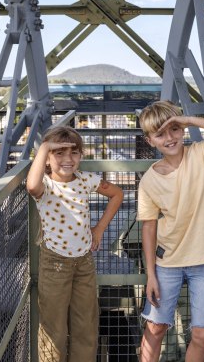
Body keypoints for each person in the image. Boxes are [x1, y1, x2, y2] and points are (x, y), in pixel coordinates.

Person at [137, 101, 204, 362]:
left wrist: (191, 120)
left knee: (203, 335)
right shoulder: (149, 181)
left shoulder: (202, 154)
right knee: (155, 327)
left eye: (174, 129)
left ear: (182, 130)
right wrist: (151, 274)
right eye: (160, 134)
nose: (169, 138)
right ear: (151, 141)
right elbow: (149, 227)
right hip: (167, 264)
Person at [26, 126, 123, 362]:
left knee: (86, 324)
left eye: (74, 153)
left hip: (84, 263)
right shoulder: (46, 186)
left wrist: (99, 228)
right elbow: (31, 186)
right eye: (59, 153)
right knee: (54, 327)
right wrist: (46, 147)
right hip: (55, 263)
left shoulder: (85, 179)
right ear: (47, 158)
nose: (68, 159)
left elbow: (117, 194)